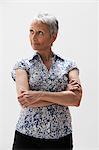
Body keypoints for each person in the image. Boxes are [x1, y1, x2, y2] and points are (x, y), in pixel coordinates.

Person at [11, 13, 82, 150]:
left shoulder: (68, 65)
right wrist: (62, 96)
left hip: (61, 137)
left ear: (53, 36)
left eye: (40, 33)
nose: (33, 37)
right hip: (27, 137)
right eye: (31, 31)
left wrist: (39, 95)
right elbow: (24, 100)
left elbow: (75, 100)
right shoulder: (22, 65)